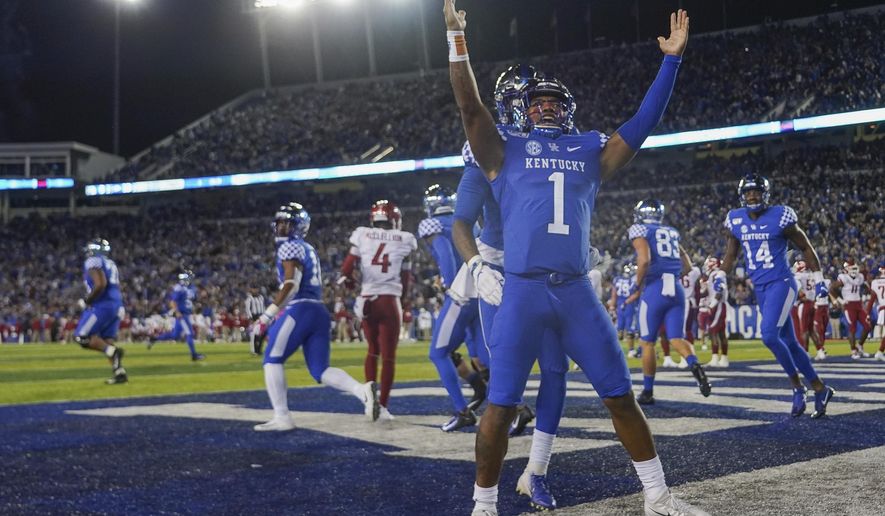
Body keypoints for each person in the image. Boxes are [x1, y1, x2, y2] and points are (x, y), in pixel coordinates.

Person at [444, 3, 708, 515]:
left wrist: (671, 61)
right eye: (537, 102)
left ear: (567, 110)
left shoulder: (590, 149)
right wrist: (457, 38)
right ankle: (483, 505)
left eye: (553, 102)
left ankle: (657, 495)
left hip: (574, 289)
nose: (545, 107)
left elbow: (642, 124)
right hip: (520, 289)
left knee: (618, 393)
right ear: (524, 109)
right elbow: (470, 108)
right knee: (499, 403)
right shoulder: (503, 150)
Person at [451, 63, 572, 511]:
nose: (538, 110)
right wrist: (479, 267)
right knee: (505, 384)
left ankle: (536, 472)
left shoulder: (559, 148)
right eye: (528, 102)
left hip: (546, 271)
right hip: (501, 270)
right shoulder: (492, 147)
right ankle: (484, 498)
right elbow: (461, 219)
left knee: (556, 370)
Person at [251, 203, 379, 431]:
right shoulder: (306, 248)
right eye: (279, 223)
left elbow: (291, 284)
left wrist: (266, 316)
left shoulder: (289, 247)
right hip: (318, 311)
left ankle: (282, 417)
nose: (281, 228)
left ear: (298, 227)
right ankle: (362, 391)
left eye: (287, 223)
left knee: (272, 359)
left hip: (302, 308)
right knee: (320, 369)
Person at [720, 174, 835, 419]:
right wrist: (720, 275)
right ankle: (820, 388)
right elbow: (730, 254)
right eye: (749, 192)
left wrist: (820, 280)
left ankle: (797, 387)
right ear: (742, 196)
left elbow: (805, 247)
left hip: (781, 283)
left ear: (766, 194)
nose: (753, 196)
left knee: (769, 335)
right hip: (760, 288)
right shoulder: (735, 219)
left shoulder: (781, 216)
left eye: (757, 192)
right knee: (790, 343)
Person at [624, 200, 711, 405]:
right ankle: (695, 366)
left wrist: (636, 288)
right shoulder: (670, 231)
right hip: (677, 289)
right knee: (676, 338)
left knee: (647, 342)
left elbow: (644, 260)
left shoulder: (640, 229)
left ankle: (647, 391)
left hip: (655, 289)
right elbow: (685, 260)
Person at [418, 183, 488, 432]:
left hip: (461, 294)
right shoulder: (473, 223)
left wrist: (449, 284)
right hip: (482, 292)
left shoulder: (432, 225)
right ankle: (518, 407)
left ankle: (461, 411)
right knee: (484, 356)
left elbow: (446, 254)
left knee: (438, 353)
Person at [340, 200, 417, 420]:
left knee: (372, 350)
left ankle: (368, 401)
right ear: (394, 220)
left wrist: (350, 283)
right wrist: (402, 301)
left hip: (367, 300)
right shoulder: (405, 239)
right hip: (389, 299)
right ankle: (382, 406)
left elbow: (346, 269)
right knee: (389, 357)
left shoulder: (363, 234)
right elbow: (405, 277)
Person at [74, 238, 127, 385]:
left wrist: (87, 301)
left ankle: (112, 351)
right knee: (107, 339)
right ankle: (119, 372)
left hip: (103, 305)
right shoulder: (111, 263)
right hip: (116, 304)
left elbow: (100, 284)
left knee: (81, 337)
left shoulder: (93, 261)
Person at [149, 269, 205, 361]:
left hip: (186, 314)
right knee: (190, 334)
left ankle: (155, 338)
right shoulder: (179, 287)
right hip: (182, 315)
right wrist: (177, 312)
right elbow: (172, 302)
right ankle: (194, 355)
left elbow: (189, 301)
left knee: (175, 336)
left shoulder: (190, 288)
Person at [830, 259, 872, 358]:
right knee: (852, 328)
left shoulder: (860, 277)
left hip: (859, 304)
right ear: (847, 269)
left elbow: (865, 287)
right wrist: (840, 300)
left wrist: (865, 296)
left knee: (867, 326)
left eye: (855, 268)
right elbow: (832, 288)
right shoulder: (843, 278)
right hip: (849, 305)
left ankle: (860, 346)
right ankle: (853, 350)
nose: (854, 270)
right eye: (852, 268)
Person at [792, 260, 825, 358]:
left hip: (804, 304)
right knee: (811, 330)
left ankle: (805, 351)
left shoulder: (798, 276)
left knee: (804, 330)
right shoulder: (811, 276)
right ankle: (820, 350)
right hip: (812, 302)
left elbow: (800, 293)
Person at [702, 256, 730, 367]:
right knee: (721, 332)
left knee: (713, 331)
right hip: (720, 305)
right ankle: (723, 359)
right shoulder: (717, 274)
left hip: (717, 305)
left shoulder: (716, 274)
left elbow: (719, 289)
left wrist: (712, 305)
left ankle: (715, 358)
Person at [611, 264, 640, 357]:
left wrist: (612, 306)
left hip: (620, 306)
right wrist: (627, 302)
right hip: (630, 306)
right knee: (630, 330)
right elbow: (637, 293)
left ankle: (613, 350)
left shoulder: (617, 279)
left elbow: (614, 294)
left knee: (619, 330)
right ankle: (631, 351)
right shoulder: (634, 279)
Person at [867, 264, 885, 361]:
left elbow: (871, 300)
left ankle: (880, 351)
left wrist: (867, 313)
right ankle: (880, 352)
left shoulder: (875, 282)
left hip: (882, 308)